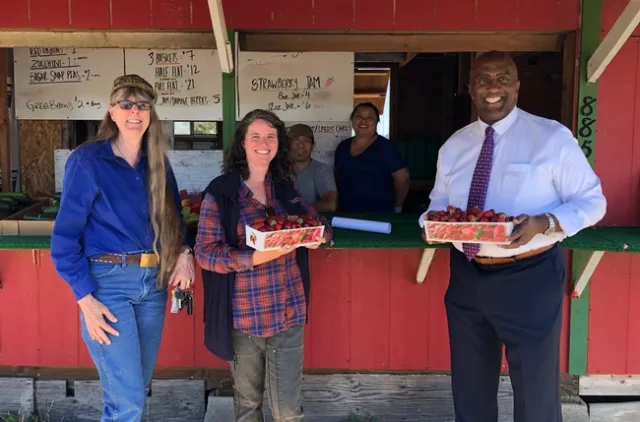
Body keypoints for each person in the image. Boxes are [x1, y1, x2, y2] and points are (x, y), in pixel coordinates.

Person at [420, 51, 606, 422]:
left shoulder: (551, 137)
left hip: (530, 275)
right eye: (483, 79)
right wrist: (432, 223)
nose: (493, 87)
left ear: (517, 86)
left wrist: (547, 221)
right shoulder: (454, 145)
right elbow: (437, 203)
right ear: (470, 88)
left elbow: (593, 202)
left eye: (502, 78)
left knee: (536, 393)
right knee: (470, 391)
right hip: (467, 275)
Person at [51, 75, 195, 421]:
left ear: (151, 114)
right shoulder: (88, 161)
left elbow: (176, 218)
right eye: (126, 104)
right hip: (108, 286)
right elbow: (65, 238)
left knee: (133, 389)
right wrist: (86, 300)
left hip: (154, 284)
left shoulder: (157, 163)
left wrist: (185, 254)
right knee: (127, 399)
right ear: (111, 112)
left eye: (143, 105)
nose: (135, 111)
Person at [194, 109, 333, 421]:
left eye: (270, 136)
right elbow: (204, 252)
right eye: (255, 136)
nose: (263, 142)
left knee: (288, 411)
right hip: (245, 316)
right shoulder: (221, 192)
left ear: (278, 144)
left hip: (289, 309)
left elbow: (315, 222)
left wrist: (317, 235)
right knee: (248, 407)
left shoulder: (284, 188)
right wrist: (253, 258)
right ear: (242, 143)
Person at [334, 102, 410, 213]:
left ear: (376, 122)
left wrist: (398, 206)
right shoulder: (343, 146)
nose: (363, 121)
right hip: (346, 213)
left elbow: (403, 179)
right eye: (359, 117)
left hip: (378, 215)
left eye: (369, 118)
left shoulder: (386, 148)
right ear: (352, 120)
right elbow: (338, 176)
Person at [288, 123, 338, 212]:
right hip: (281, 224)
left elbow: (330, 204)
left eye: (306, 141)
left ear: (313, 146)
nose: (301, 146)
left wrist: (298, 211)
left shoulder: (321, 170)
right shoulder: (279, 170)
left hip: (311, 223)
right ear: (288, 145)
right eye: (296, 141)